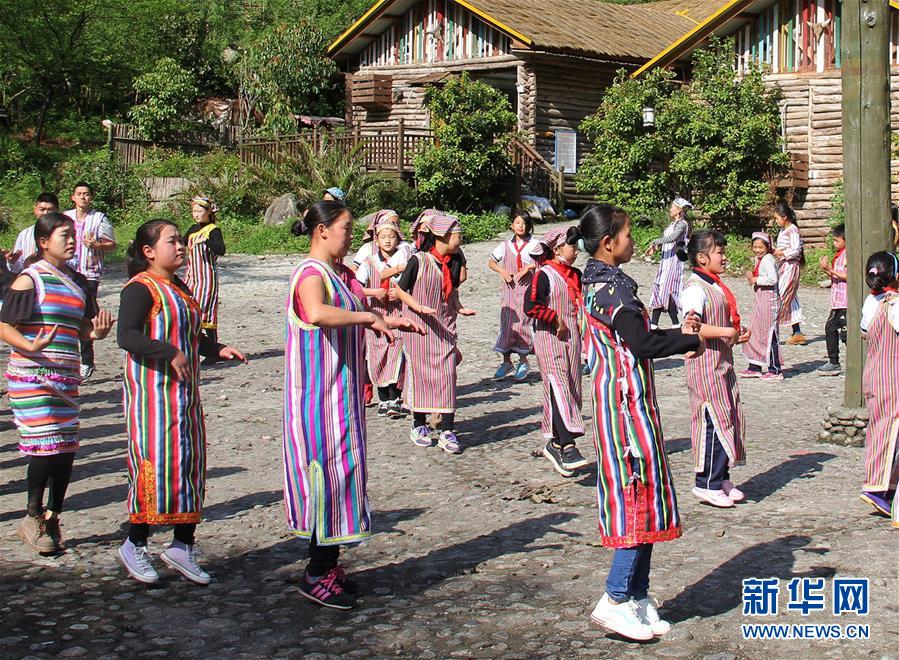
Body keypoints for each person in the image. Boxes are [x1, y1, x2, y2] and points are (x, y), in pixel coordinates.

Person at [283, 200, 423, 609]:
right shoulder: (310, 273)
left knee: (343, 478)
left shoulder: (338, 273)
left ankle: (329, 565)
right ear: (322, 231)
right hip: (317, 400)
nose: (350, 236)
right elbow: (316, 312)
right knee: (325, 480)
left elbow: (357, 307)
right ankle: (316, 572)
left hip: (340, 397)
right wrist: (367, 319)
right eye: (345, 228)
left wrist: (386, 320)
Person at [579, 204, 704, 641]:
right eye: (628, 234)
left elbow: (642, 339)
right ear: (608, 243)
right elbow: (642, 343)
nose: (633, 241)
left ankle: (638, 595)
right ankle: (615, 597)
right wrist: (690, 339)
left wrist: (686, 337)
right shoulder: (610, 290)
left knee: (648, 495)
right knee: (635, 495)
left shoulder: (602, 282)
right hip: (624, 411)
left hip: (631, 405)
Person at [116, 219, 246, 585]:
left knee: (190, 465)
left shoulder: (180, 287)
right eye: (171, 241)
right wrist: (169, 353)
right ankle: (134, 542)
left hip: (185, 397)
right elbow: (126, 336)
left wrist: (217, 349)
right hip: (153, 399)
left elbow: (190, 335)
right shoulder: (140, 289)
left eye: (180, 241)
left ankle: (182, 545)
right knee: (156, 467)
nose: (180, 247)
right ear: (149, 251)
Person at [1, 212, 114, 554]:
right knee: (45, 445)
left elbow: (81, 327)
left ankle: (54, 517)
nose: (71, 241)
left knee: (65, 449)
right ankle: (32, 517)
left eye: (72, 234)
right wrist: (28, 345)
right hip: (32, 377)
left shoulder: (77, 281)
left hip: (66, 378)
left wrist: (96, 333)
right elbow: (4, 325)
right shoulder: (30, 279)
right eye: (64, 235)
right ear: (43, 242)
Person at [393, 214, 476, 455]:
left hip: (445, 328)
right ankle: (419, 424)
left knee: (447, 376)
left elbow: (453, 292)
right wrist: (417, 307)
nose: (460, 239)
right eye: (457, 235)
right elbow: (400, 290)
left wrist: (460, 308)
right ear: (442, 236)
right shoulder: (418, 260)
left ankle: (448, 429)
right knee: (421, 376)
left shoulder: (455, 261)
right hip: (419, 329)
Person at [679, 231, 750, 508]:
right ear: (702, 258)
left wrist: (734, 335)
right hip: (705, 365)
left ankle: (721, 477)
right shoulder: (695, 289)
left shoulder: (715, 285)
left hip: (721, 364)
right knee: (712, 421)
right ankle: (705, 483)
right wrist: (725, 332)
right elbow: (691, 328)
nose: (724, 257)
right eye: (719, 252)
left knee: (727, 418)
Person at [524, 226, 588, 477]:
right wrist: (555, 319)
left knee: (571, 387)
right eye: (572, 246)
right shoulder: (544, 275)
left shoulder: (576, 275)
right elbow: (531, 306)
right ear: (557, 248)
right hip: (550, 337)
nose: (576, 251)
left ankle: (556, 444)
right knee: (558, 385)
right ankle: (569, 446)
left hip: (573, 338)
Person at [355, 214, 413, 417]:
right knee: (377, 357)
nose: (388, 241)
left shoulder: (405, 259)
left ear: (398, 238)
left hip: (397, 315)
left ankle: (395, 398)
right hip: (376, 316)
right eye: (383, 237)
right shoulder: (368, 262)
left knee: (396, 356)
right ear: (376, 240)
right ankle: (383, 399)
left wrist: (399, 294)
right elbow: (356, 289)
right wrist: (374, 292)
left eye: (392, 236)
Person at [858, 251, 898, 524]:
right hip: (893, 375)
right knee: (889, 430)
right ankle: (876, 486)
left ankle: (888, 485)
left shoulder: (869, 302)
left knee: (881, 427)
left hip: (873, 371)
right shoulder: (894, 305)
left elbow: (864, 332)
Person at [64, 182, 116, 380]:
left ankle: (87, 360)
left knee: (85, 316)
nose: (83, 197)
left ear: (91, 197)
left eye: (86, 194)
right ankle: (69, 358)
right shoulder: (66, 217)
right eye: (79, 194)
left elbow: (112, 244)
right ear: (73, 197)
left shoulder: (99, 218)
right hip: (67, 271)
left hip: (89, 274)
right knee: (68, 314)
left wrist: (98, 245)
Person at [488, 210, 539, 381]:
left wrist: (528, 268)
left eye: (524, 223)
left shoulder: (535, 245)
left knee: (524, 322)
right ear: (512, 225)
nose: (521, 226)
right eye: (518, 223)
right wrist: (502, 271)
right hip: (509, 290)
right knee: (507, 322)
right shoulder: (505, 246)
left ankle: (523, 361)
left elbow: (543, 261)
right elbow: (491, 262)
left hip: (526, 289)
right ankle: (506, 361)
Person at [183, 196, 226, 350]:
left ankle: (214, 349)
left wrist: (206, 241)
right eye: (194, 211)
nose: (196, 214)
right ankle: (194, 345)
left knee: (206, 312)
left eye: (199, 211)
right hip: (191, 275)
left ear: (208, 212)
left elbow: (221, 250)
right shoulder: (192, 229)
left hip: (206, 278)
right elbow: (180, 244)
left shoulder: (213, 230)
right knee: (188, 307)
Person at [740, 232, 782, 379]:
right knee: (755, 331)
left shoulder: (768, 259)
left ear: (767, 247)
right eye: (755, 247)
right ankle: (754, 365)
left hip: (769, 301)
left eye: (760, 247)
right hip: (760, 299)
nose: (757, 250)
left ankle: (775, 369)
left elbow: (773, 279)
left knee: (769, 334)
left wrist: (756, 279)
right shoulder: (759, 259)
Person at [646, 198, 691, 329]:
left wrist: (655, 241)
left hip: (674, 262)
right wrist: (658, 247)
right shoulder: (673, 224)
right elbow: (668, 240)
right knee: (662, 287)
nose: (670, 209)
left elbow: (672, 238)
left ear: (679, 210)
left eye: (672, 207)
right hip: (665, 261)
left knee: (667, 289)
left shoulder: (682, 224)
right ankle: (673, 323)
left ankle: (654, 323)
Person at [817, 224, 848, 375]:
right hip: (837, 302)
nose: (834, 243)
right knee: (830, 329)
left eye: (837, 240)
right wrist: (828, 270)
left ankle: (855, 363)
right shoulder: (839, 256)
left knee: (847, 335)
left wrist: (830, 270)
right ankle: (833, 361)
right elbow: (837, 275)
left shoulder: (849, 255)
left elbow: (848, 276)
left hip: (846, 302)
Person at [773, 201, 805, 345]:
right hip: (784, 266)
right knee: (791, 298)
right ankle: (797, 332)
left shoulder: (793, 230)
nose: (776, 221)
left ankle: (772, 329)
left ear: (784, 217)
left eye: (777, 218)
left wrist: (780, 253)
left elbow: (795, 250)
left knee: (781, 295)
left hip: (790, 267)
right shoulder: (783, 231)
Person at [7, 193, 59, 273]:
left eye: (50, 210)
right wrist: (12, 262)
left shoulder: (64, 233)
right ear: (35, 210)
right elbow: (19, 266)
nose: (46, 213)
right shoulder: (24, 235)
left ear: (57, 211)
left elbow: (74, 262)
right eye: (42, 209)